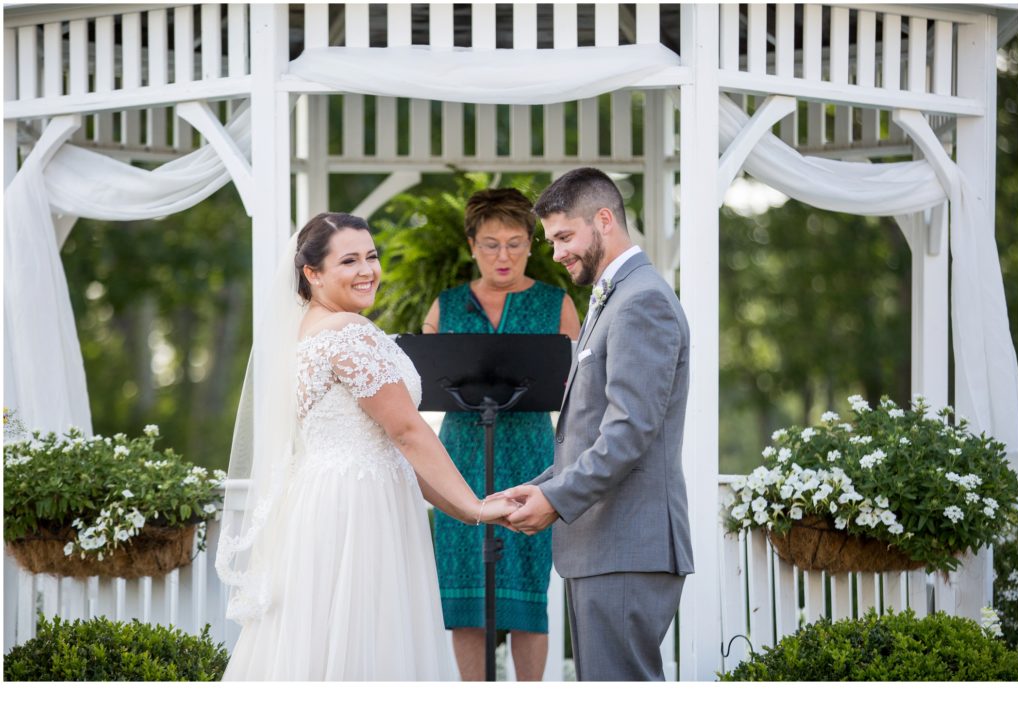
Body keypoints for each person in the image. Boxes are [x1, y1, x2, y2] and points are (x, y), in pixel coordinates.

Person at [216, 213, 521, 681]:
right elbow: (407, 432)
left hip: (329, 499)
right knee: (365, 636)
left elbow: (391, 444)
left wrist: (462, 509)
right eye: (350, 260)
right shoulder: (349, 333)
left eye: (372, 256)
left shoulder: (308, 334)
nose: (368, 270)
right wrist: (476, 506)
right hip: (358, 509)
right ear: (312, 274)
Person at [497, 168, 694, 681]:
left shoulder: (641, 300)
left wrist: (557, 500)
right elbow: (588, 430)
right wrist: (537, 487)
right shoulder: (614, 297)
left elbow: (629, 433)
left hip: (626, 545)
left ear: (604, 220)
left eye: (564, 236)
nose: (557, 252)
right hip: (604, 544)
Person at [422, 188, 580, 681]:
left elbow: (580, 392)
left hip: (532, 457)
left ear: (531, 245)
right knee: (464, 595)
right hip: (460, 460)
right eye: (490, 244)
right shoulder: (444, 307)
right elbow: (420, 385)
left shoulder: (557, 305)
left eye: (514, 243)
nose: (503, 256)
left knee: (528, 593)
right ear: (471, 245)